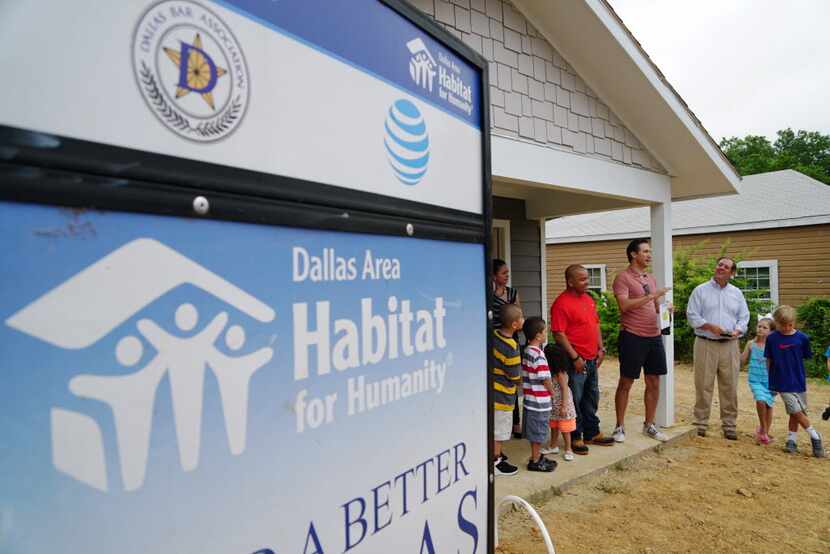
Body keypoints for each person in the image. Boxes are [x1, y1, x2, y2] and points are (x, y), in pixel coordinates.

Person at [550, 264, 615, 455]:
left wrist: (601, 348)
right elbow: (559, 334)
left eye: (587, 278)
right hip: (575, 360)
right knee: (575, 398)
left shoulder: (587, 299)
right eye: (582, 279)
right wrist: (575, 357)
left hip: (592, 357)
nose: (587, 282)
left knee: (591, 396)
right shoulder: (561, 304)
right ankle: (576, 436)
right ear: (570, 281)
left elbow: (595, 324)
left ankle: (592, 432)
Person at [611, 238, 671, 443]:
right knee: (626, 381)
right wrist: (652, 296)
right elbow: (625, 306)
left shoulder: (650, 278)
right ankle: (619, 426)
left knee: (654, 381)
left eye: (649, 251)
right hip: (632, 336)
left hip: (653, 336)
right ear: (633, 254)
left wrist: (664, 310)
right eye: (645, 251)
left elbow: (653, 307)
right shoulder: (623, 278)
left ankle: (649, 425)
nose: (649, 255)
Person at [686, 257, 750, 439]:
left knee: (729, 386)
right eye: (719, 264)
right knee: (703, 385)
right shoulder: (700, 290)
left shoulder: (736, 293)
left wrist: (739, 330)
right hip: (706, 343)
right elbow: (692, 316)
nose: (721, 268)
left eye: (726, 266)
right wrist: (710, 327)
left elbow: (744, 317)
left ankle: (729, 425)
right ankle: (700, 423)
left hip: (730, 346)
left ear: (732, 273)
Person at [764, 305, 825, 457]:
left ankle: (791, 441)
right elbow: (769, 360)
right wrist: (770, 380)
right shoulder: (771, 338)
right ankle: (815, 435)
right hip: (781, 381)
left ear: (794, 322)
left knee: (796, 412)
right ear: (776, 322)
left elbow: (804, 357)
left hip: (798, 380)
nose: (786, 327)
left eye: (790, 324)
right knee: (796, 410)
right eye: (782, 325)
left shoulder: (802, 338)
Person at [492, 303, 524, 475]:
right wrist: (520, 381)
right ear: (514, 325)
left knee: (493, 427)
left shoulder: (494, 335)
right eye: (521, 318)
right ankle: (496, 462)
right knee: (500, 431)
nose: (523, 320)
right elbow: (513, 374)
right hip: (503, 395)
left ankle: (493, 454)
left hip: (491, 390)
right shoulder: (511, 346)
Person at [491, 258, 522, 438]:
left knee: (512, 380)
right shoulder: (489, 294)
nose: (507, 276)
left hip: (512, 338)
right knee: (502, 380)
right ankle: (498, 428)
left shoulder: (512, 293)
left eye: (507, 273)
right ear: (494, 276)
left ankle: (515, 424)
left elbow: (518, 313)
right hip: (496, 340)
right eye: (503, 273)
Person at [521, 317, 557, 472]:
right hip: (539, 402)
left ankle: (535, 456)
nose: (546, 332)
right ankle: (535, 460)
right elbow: (545, 378)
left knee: (534, 430)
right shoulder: (539, 355)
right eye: (544, 330)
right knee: (538, 432)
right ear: (538, 335)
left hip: (530, 400)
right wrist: (553, 393)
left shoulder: (527, 351)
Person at [741, 317, 776, 444]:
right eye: (759, 326)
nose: (760, 329)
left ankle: (764, 431)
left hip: (770, 381)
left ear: (771, 332)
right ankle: (763, 429)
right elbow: (742, 360)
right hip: (755, 380)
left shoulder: (772, 346)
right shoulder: (751, 344)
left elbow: (776, 364)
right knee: (760, 400)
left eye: (764, 327)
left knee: (768, 405)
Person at [543, 342, 577, 461]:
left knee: (565, 427)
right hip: (554, 403)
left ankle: (568, 448)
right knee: (554, 425)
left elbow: (564, 389)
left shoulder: (560, 373)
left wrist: (564, 406)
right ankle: (553, 445)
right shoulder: (553, 372)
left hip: (562, 403)